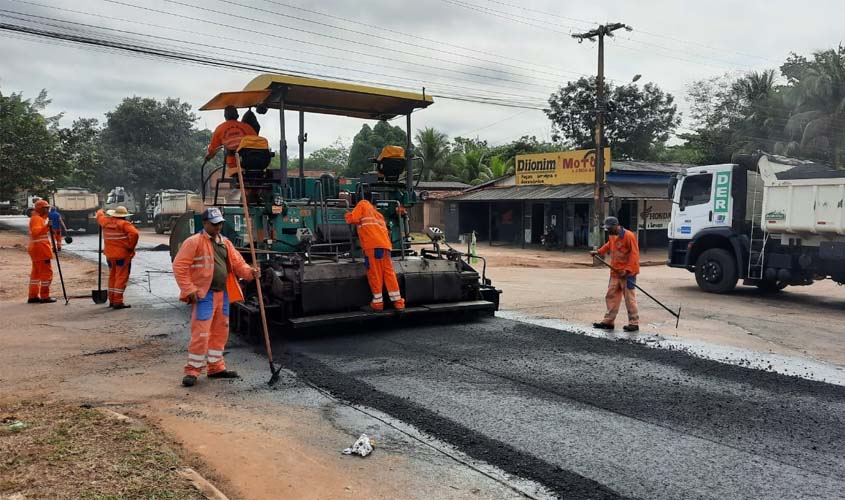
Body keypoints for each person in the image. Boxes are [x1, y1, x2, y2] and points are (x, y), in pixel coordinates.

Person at [172, 208, 260, 387]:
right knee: (201, 333)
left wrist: (251, 273)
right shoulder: (194, 242)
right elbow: (179, 266)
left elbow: (238, 264)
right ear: (205, 224)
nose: (218, 227)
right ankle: (193, 371)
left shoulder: (225, 243)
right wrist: (189, 289)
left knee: (220, 332)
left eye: (219, 223)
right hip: (205, 295)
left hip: (223, 294)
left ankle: (216, 367)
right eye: (214, 224)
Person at [345, 198, 405, 312]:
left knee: (375, 274)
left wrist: (347, 215)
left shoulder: (362, 204)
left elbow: (353, 218)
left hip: (372, 246)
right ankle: (398, 303)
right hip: (385, 246)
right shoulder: (378, 214)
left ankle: (377, 304)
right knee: (389, 273)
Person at [590, 216, 640, 332]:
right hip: (615, 272)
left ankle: (634, 323)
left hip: (628, 274)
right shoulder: (612, 236)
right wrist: (598, 252)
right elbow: (609, 245)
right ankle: (608, 321)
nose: (608, 231)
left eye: (609, 228)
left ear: (616, 225)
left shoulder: (629, 236)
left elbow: (634, 255)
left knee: (629, 299)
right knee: (611, 296)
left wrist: (627, 270)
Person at [96, 206, 140, 309]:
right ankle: (118, 301)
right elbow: (135, 233)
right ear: (124, 216)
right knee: (121, 277)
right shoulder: (124, 224)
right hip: (122, 255)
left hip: (110, 255)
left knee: (112, 276)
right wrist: (130, 247)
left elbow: (99, 215)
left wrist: (100, 210)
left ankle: (112, 300)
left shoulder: (105, 222)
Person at [205, 105, 257, 177]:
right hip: (251, 163)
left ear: (225, 117)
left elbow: (213, 149)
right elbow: (257, 143)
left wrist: (207, 158)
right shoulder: (248, 128)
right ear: (237, 116)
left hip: (233, 165)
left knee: (237, 180)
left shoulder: (220, 129)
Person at [27, 199, 56, 304]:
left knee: (36, 274)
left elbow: (39, 232)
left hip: (36, 249)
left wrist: (46, 226)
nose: (48, 210)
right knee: (46, 274)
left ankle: (33, 296)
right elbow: (36, 232)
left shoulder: (37, 218)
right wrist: (46, 226)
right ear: (40, 209)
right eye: (46, 208)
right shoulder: (37, 219)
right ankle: (45, 296)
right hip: (41, 250)